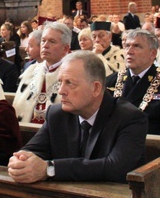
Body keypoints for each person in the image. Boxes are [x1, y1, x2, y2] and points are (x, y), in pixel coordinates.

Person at [8, 51, 147, 183]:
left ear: (96, 88)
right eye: (60, 82)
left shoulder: (130, 118)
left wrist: (50, 169)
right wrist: (20, 161)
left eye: (70, 83)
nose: (61, 91)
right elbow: (32, 149)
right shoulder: (57, 114)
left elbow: (115, 167)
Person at [106, 29, 160, 137]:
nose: (129, 51)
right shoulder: (110, 81)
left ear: (153, 53)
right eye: (127, 46)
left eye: (137, 46)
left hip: (148, 147)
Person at [13, 22, 71, 124]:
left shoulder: (73, 74)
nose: (45, 45)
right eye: (43, 41)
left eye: (52, 42)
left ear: (65, 48)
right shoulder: (30, 71)